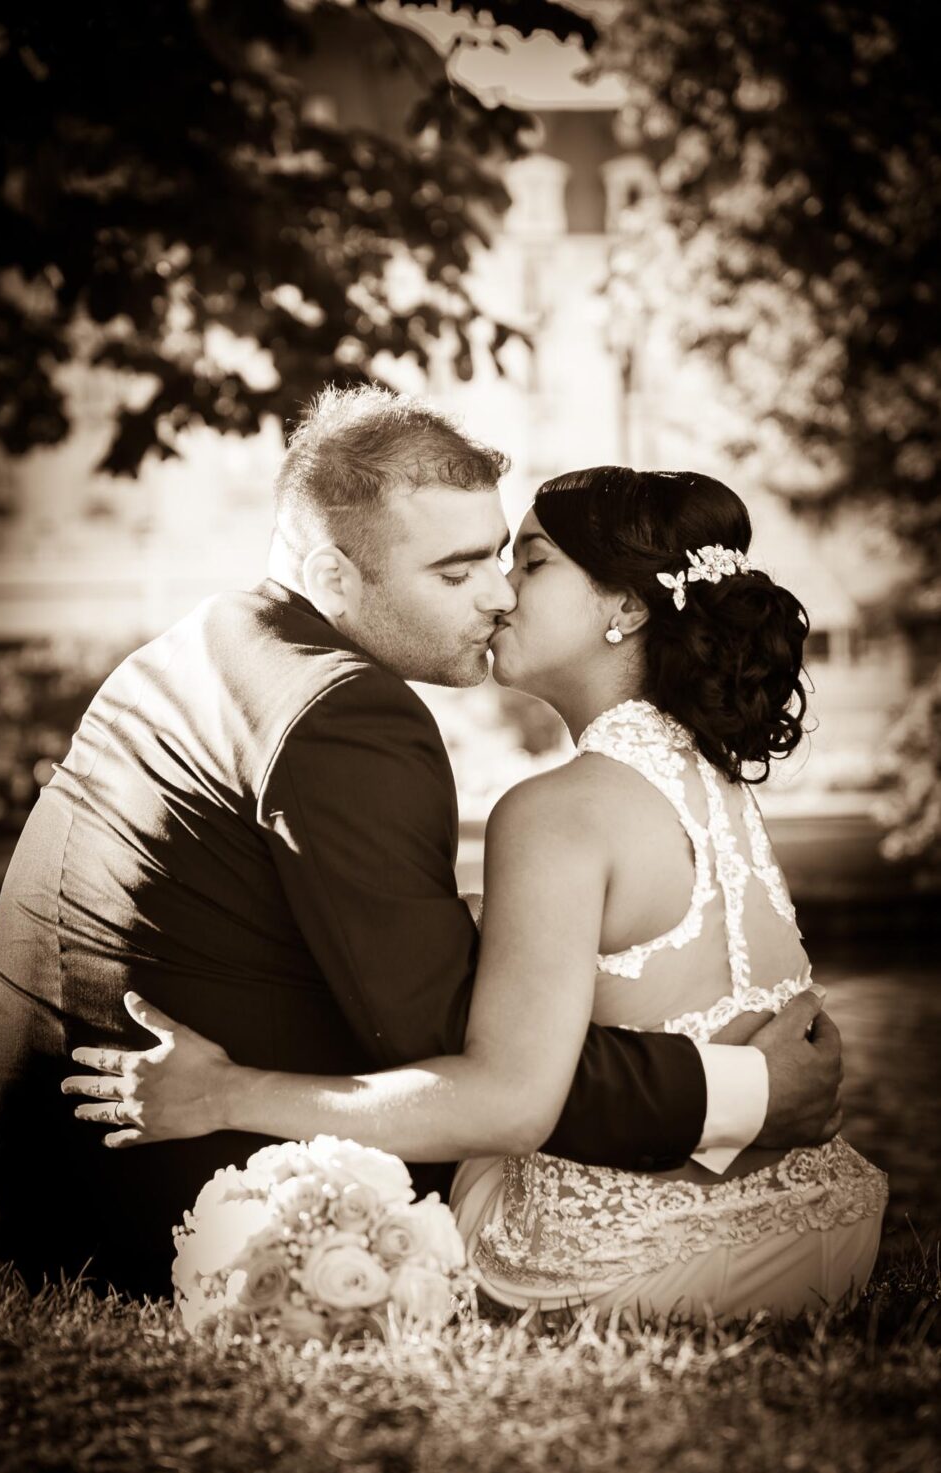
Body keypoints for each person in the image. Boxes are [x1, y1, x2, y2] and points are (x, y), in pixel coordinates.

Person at [63, 460, 883, 1318]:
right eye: (481, 566)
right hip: (826, 1233)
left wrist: (223, 1091)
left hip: (645, 1270)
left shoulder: (553, 811)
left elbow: (508, 1105)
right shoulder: (714, 782)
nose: (500, 592)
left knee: (447, 1163)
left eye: (530, 562)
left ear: (628, 607)